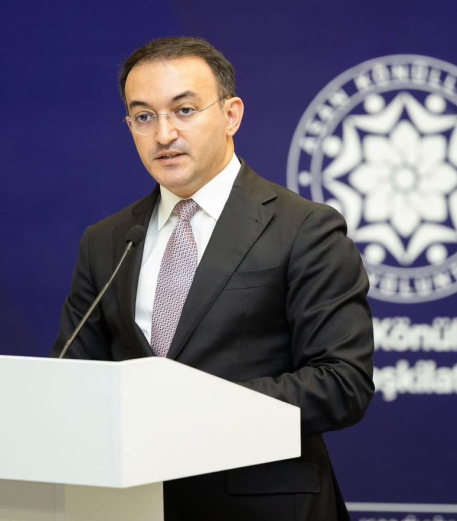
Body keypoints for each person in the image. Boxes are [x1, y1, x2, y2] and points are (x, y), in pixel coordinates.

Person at [51, 36, 374, 521]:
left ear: (230, 115)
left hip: (262, 508)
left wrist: (196, 409)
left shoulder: (305, 228)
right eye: (144, 117)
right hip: (130, 505)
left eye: (184, 110)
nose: (163, 134)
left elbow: (341, 383)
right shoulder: (108, 241)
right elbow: (73, 380)